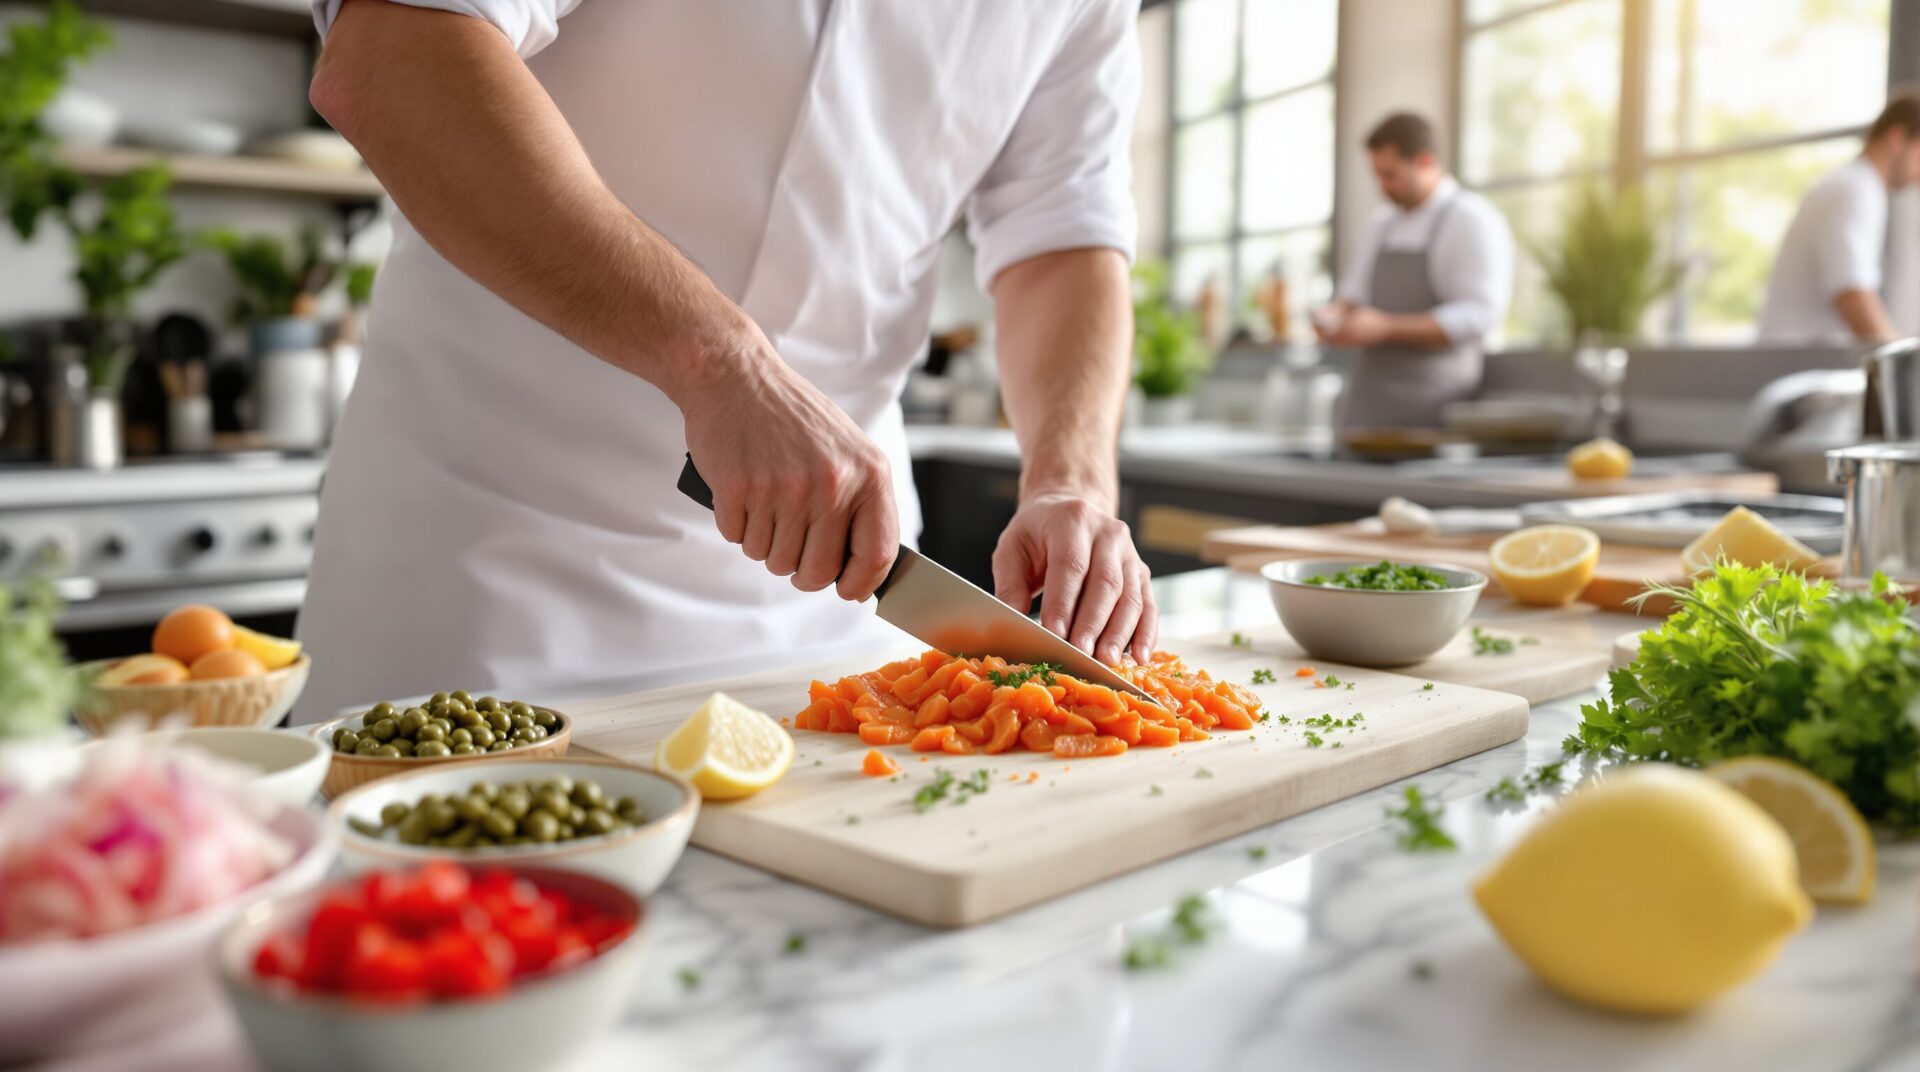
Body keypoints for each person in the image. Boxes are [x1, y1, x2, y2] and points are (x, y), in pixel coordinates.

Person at [290, 0, 1157, 721]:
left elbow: (1064, 234)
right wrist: (723, 365)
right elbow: (396, 55)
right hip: (489, 587)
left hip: (836, 605)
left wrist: (1070, 479)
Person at [1314, 112, 1514, 431]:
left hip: (1432, 411)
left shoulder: (1471, 220)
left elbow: (1480, 314)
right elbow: (1354, 295)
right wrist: (1332, 316)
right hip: (1368, 409)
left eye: (1390, 175)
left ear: (1424, 161)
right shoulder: (1382, 223)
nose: (1382, 186)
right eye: (1376, 175)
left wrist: (1387, 328)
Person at [1758, 97, 1920, 344]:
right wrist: (1903, 366)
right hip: (1796, 368)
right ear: (1897, 138)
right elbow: (1854, 295)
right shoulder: (1854, 189)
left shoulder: (1860, 187)